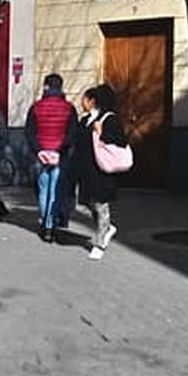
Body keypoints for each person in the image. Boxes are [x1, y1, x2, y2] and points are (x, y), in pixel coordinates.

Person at [68, 84, 128, 260]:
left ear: (92, 101)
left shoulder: (110, 119)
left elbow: (121, 141)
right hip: (85, 170)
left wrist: (102, 133)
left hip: (102, 170)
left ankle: (100, 243)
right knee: (89, 203)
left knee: (101, 205)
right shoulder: (84, 120)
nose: (82, 102)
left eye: (84, 99)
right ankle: (107, 228)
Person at [25, 74, 76, 240]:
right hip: (60, 155)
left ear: (46, 86)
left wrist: (39, 151)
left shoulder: (36, 107)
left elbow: (30, 132)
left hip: (41, 155)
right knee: (56, 190)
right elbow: (71, 134)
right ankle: (50, 226)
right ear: (61, 87)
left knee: (43, 189)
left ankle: (44, 221)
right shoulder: (69, 108)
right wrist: (59, 151)